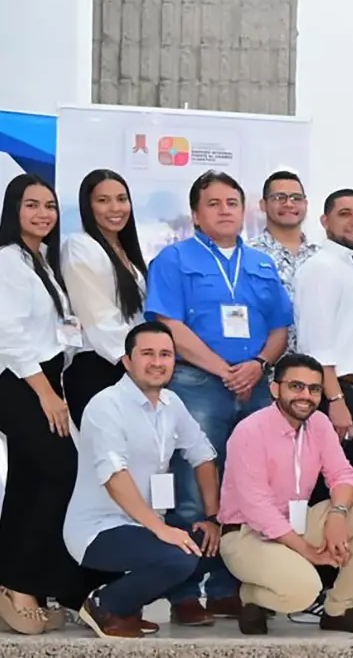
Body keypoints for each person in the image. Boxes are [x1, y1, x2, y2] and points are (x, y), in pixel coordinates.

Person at [145, 169, 293, 623]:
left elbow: (280, 329)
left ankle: (230, 586)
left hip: (255, 386)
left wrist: (259, 366)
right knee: (192, 490)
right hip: (197, 385)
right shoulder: (173, 260)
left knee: (248, 491)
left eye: (232, 203)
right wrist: (222, 368)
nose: (225, 210)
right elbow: (168, 325)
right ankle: (187, 592)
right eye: (214, 203)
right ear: (195, 213)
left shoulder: (262, 264)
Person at [216, 353, 353, 635]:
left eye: (314, 389)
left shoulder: (320, 424)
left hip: (297, 524)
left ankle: (339, 609)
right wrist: (308, 552)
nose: (306, 396)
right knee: (305, 592)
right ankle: (251, 596)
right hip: (247, 534)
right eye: (296, 386)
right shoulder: (249, 431)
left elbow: (344, 475)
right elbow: (258, 508)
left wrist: (338, 514)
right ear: (275, 389)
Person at [64, 322, 221, 638]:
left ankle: (126, 607)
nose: (158, 362)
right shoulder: (106, 406)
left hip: (143, 525)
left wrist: (213, 517)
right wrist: (160, 528)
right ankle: (105, 604)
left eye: (166, 354)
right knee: (180, 556)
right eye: (147, 353)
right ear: (127, 361)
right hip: (98, 529)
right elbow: (113, 476)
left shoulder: (171, 404)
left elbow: (203, 454)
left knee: (206, 541)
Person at [0, 174, 87, 632]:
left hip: (45, 377)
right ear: (13, 210)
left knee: (29, 481)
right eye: (31, 205)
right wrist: (46, 392)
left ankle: (13, 580)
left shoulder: (42, 262)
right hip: (20, 381)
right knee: (59, 470)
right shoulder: (7, 262)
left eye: (50, 206)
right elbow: (10, 336)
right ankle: (19, 582)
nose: (43, 214)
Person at [293, 190, 353, 487]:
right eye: (345, 214)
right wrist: (336, 400)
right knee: (326, 490)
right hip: (339, 394)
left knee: (347, 486)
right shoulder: (322, 268)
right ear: (325, 221)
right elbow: (317, 345)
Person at [62, 168, 146, 422]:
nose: (115, 208)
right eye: (103, 200)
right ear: (87, 207)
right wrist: (135, 362)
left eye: (121, 199)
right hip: (100, 366)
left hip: (129, 368)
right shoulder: (79, 246)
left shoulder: (125, 250)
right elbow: (97, 316)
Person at [250, 170, 319, 304]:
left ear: (305, 204)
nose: (288, 204)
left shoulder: (320, 255)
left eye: (296, 198)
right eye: (279, 198)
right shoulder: (247, 254)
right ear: (263, 205)